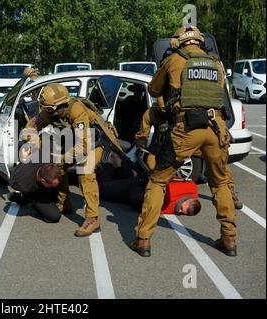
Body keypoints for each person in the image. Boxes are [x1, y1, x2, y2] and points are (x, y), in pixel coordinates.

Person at [131, 25, 238, 257]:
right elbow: (222, 95)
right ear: (200, 42)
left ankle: (143, 240)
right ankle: (229, 239)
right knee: (220, 184)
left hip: (186, 127)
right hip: (215, 128)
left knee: (158, 181)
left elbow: (154, 90)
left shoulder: (174, 60)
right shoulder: (217, 64)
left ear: (178, 42)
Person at [29, 83, 122, 237]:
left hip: (96, 141)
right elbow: (32, 126)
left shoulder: (76, 110)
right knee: (58, 167)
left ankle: (92, 219)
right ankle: (64, 203)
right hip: (77, 141)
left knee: (85, 170)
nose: (46, 111)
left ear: (60, 105)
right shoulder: (49, 111)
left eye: (49, 109)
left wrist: (61, 158)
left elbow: (83, 147)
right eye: (45, 108)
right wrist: (35, 141)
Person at [135, 98, 243, 209]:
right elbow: (145, 126)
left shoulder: (184, 107)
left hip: (188, 142)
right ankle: (155, 196)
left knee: (219, 167)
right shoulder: (154, 112)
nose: (165, 111)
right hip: (164, 146)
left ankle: (230, 194)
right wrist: (141, 142)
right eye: (162, 109)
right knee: (151, 165)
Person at [97, 152, 201, 216]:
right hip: (139, 188)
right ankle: (106, 164)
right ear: (189, 201)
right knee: (103, 190)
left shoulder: (192, 188)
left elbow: (177, 179)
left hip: (145, 179)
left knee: (126, 179)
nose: (181, 212)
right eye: (184, 209)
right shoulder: (169, 202)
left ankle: (118, 162)